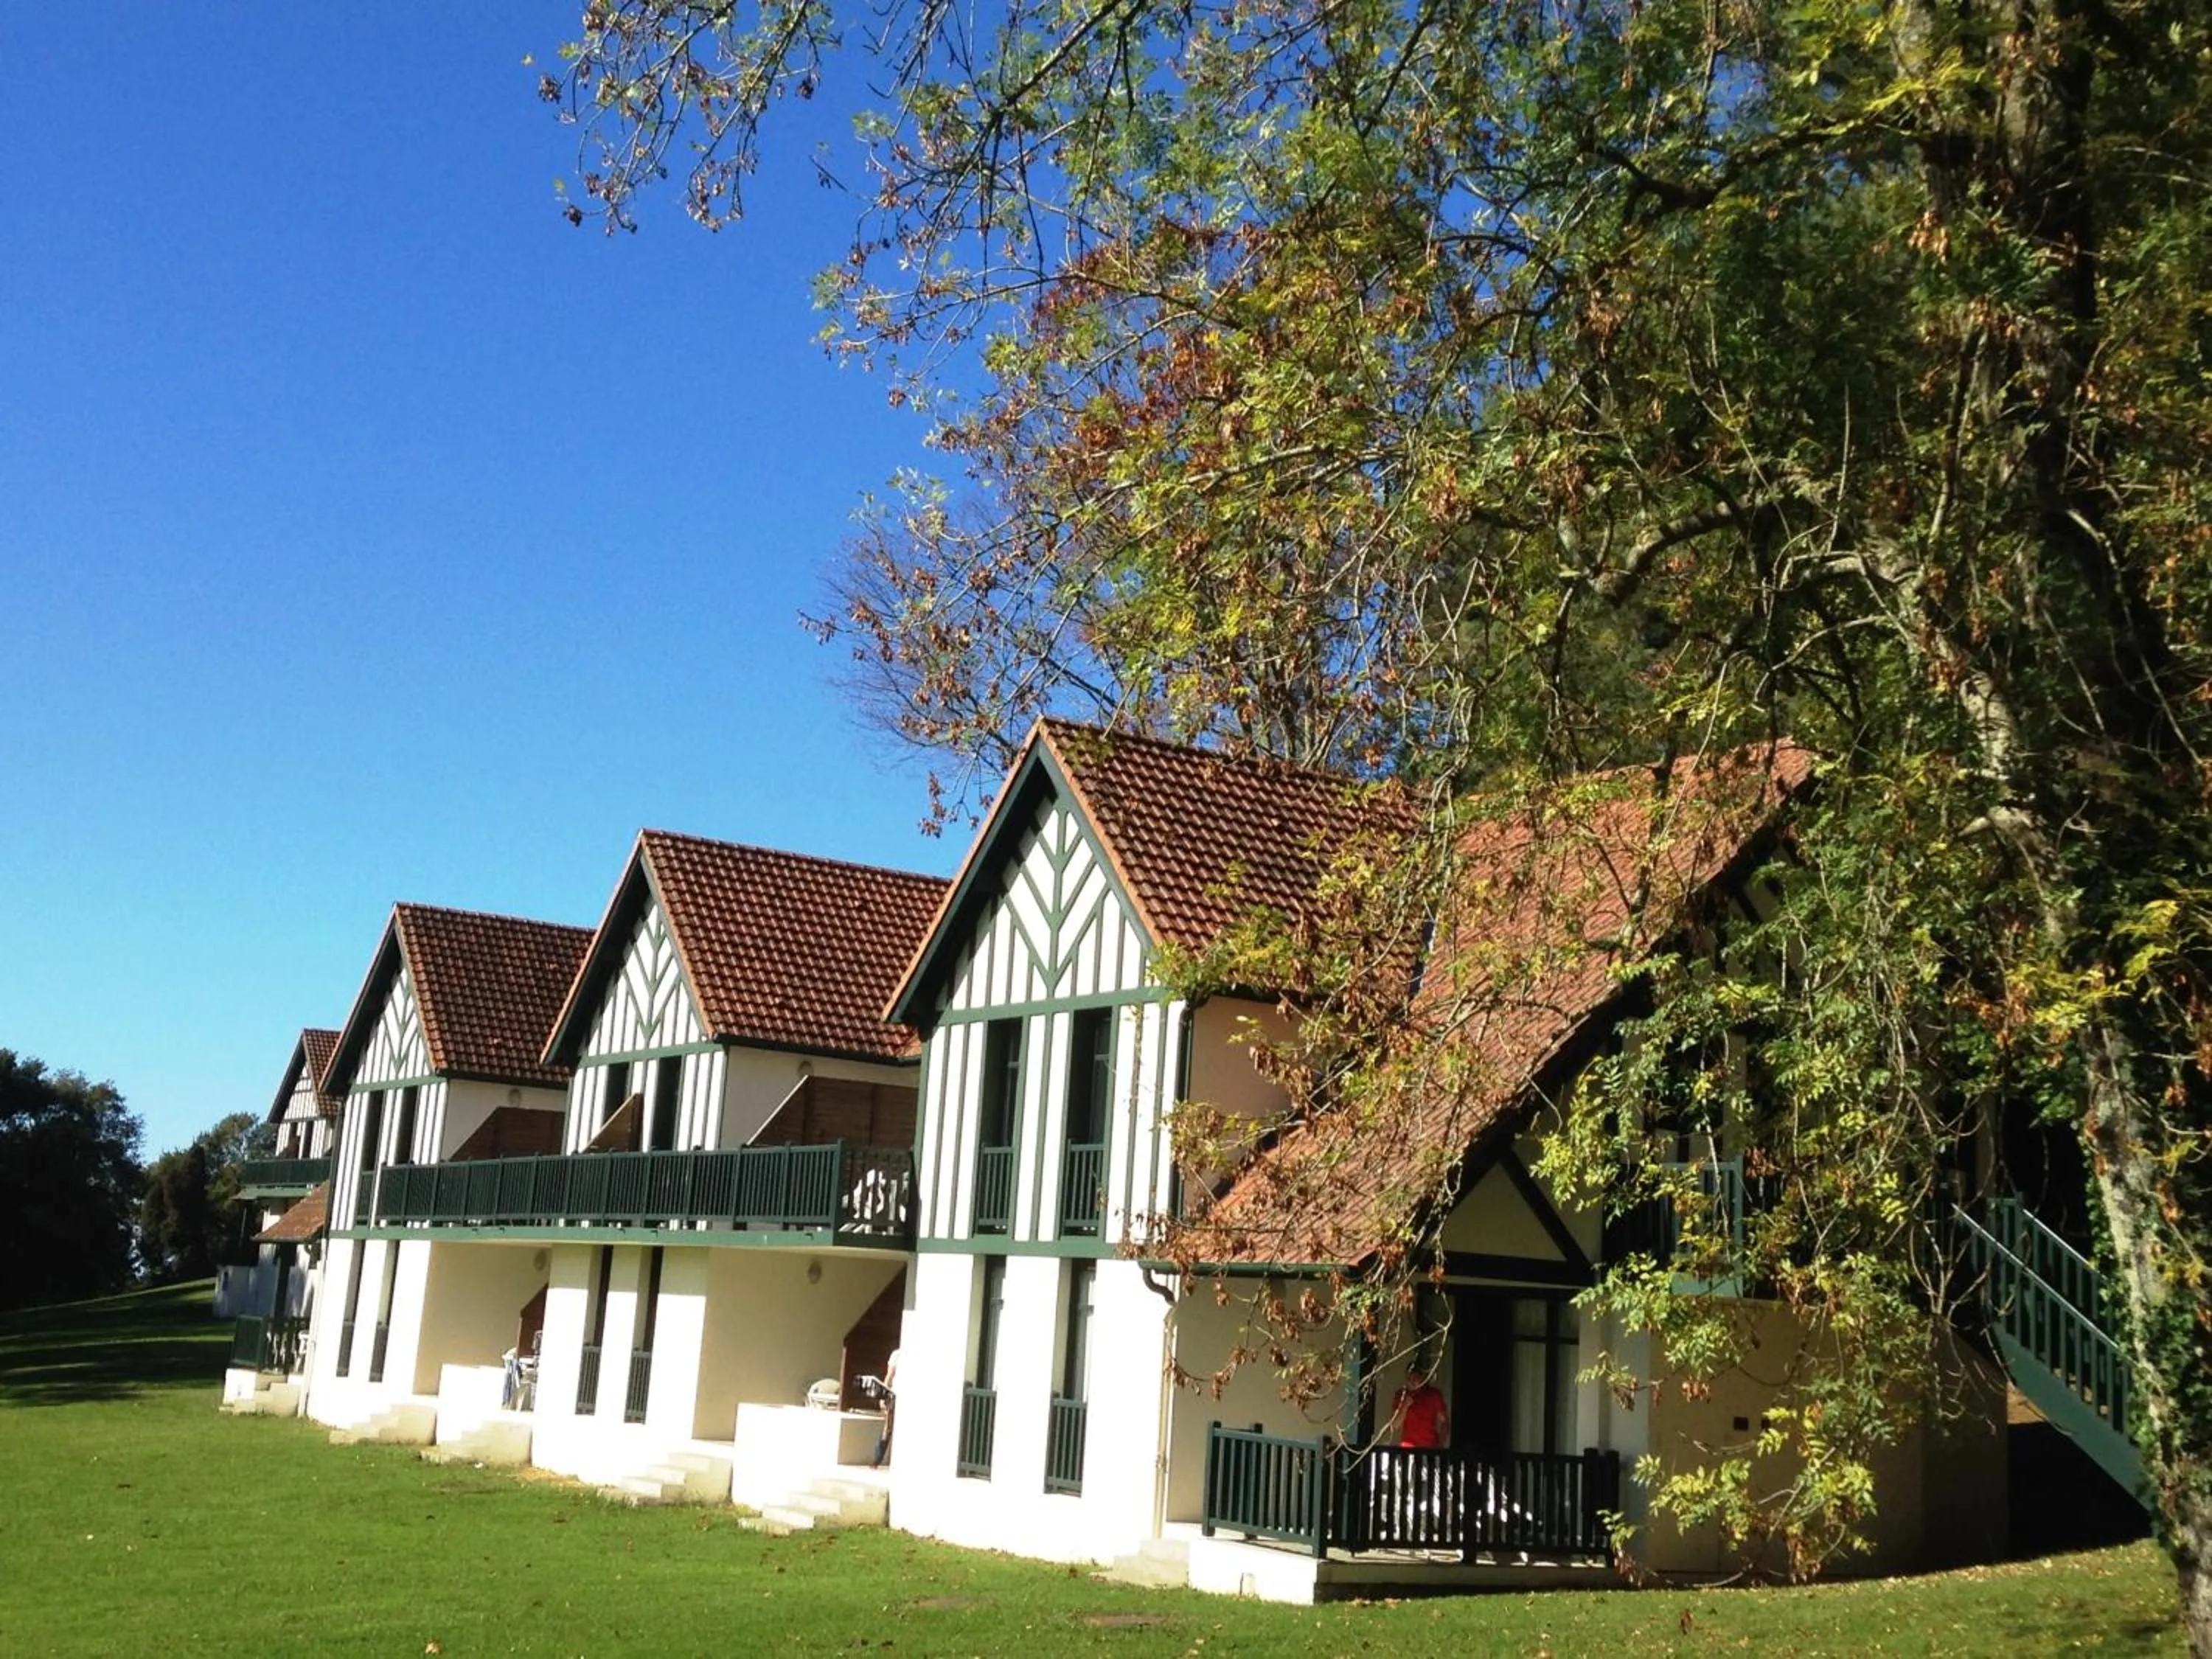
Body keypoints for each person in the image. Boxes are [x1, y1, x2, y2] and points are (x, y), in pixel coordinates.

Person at [1392, 1367, 1449, 1449]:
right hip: (1408, 1447)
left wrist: (1441, 1444)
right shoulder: (1401, 1395)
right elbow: (1395, 1425)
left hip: (1431, 1446)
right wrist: (1405, 1406)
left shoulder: (1433, 1395)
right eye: (1409, 1379)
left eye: (1415, 1378)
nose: (1411, 1382)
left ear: (1422, 1378)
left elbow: (1445, 1421)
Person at [872, 1348, 901, 1468]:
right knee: (888, 1429)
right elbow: (889, 1376)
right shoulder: (897, 1354)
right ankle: (877, 1461)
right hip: (895, 1396)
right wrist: (882, 1396)